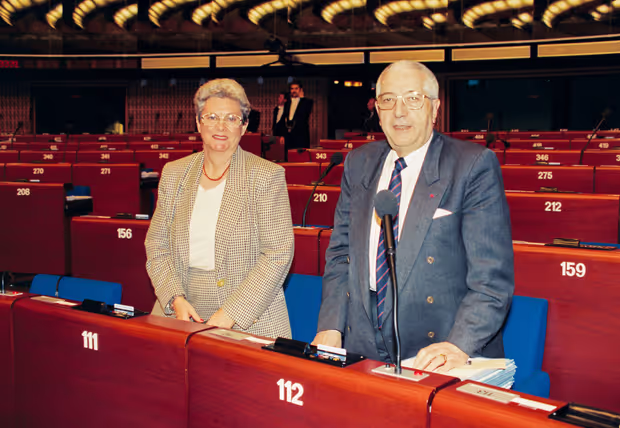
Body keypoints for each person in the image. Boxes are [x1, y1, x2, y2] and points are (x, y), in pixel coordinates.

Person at [312, 61, 514, 372]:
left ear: (435, 109)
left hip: (439, 348)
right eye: (389, 100)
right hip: (362, 342)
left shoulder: (472, 165)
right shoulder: (358, 163)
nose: (399, 111)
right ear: (377, 110)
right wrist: (330, 326)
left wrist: (458, 344)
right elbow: (341, 256)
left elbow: (491, 281)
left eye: (413, 98)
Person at [145, 78, 294, 339]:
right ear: (198, 122)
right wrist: (175, 298)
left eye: (232, 118)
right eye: (212, 116)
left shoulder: (266, 176)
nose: (221, 126)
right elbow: (156, 244)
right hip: (180, 309)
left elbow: (278, 253)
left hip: (248, 316)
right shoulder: (174, 173)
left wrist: (230, 314)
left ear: (244, 126)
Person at [283, 80, 313, 151]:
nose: (294, 91)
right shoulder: (287, 103)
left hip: (301, 134)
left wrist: (302, 99)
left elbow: (305, 115)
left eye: (296, 88)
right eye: (292, 89)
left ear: (300, 89)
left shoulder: (307, 102)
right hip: (289, 135)